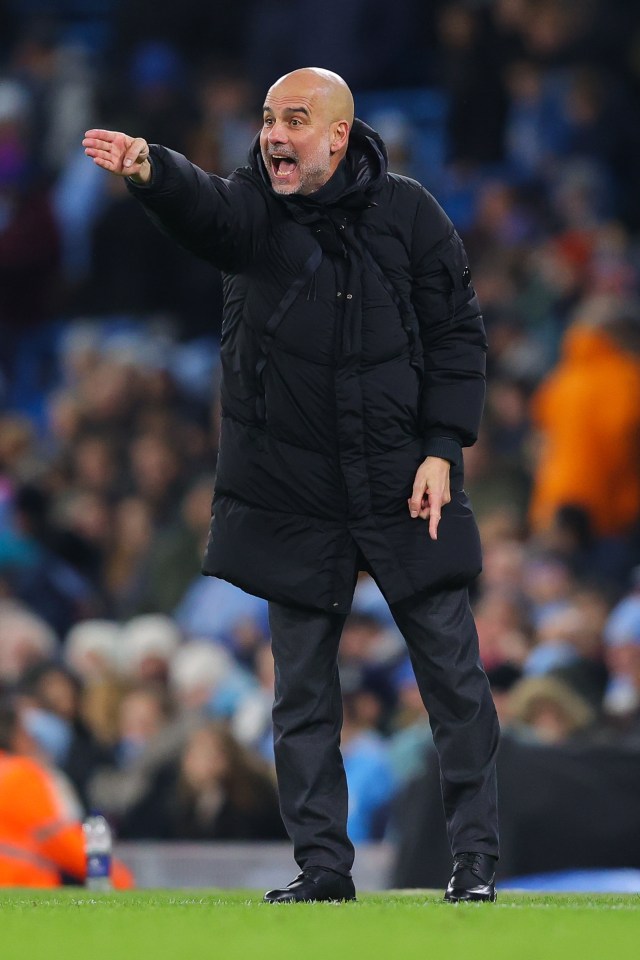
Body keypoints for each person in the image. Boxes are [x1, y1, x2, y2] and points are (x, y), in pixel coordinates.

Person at [83, 67, 500, 903]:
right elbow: (206, 208)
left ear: (338, 137)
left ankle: (477, 866)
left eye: (295, 121)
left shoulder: (412, 213)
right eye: (269, 120)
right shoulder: (253, 209)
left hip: (400, 477)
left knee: (455, 680)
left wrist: (441, 448)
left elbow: (457, 334)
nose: (274, 135)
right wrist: (154, 171)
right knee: (301, 695)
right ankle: (322, 871)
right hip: (291, 488)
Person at [0, 700, 134, 888]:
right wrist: (115, 875)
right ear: (16, 736)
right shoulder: (20, 775)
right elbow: (56, 837)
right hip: (20, 888)